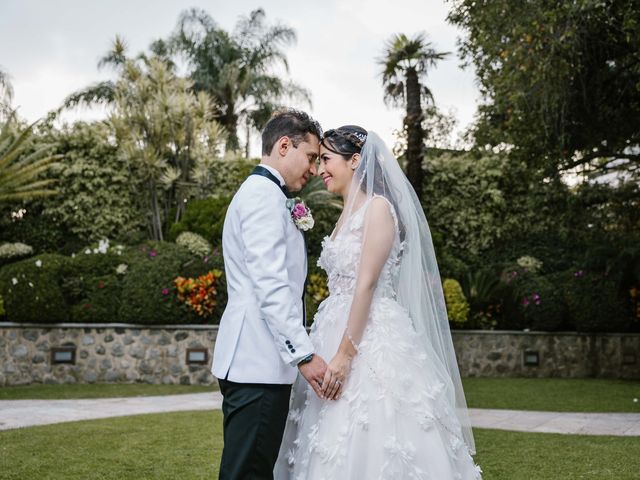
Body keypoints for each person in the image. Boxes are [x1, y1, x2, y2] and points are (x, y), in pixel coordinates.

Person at [274, 126, 482, 479]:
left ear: (355, 160)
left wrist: (344, 354)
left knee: (376, 425)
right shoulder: (344, 214)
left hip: (368, 339)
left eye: (326, 159)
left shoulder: (378, 209)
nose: (320, 169)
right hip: (333, 328)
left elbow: (367, 284)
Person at [212, 109, 329, 480]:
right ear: (283, 146)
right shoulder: (263, 198)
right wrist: (303, 354)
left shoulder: (264, 194)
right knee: (247, 473)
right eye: (310, 157)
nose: (313, 169)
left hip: (256, 361)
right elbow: (272, 286)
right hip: (256, 363)